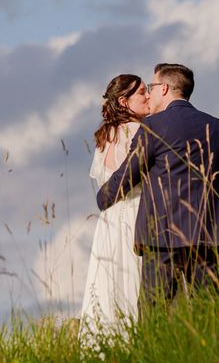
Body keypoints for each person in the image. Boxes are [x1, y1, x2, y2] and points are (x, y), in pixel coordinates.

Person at [97, 63, 219, 309]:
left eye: (152, 87)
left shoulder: (152, 127)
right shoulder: (218, 126)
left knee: (155, 314)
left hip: (162, 236)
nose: (150, 94)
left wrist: (103, 197)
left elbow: (129, 173)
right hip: (208, 234)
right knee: (210, 312)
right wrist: (211, 209)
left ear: (164, 89)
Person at [80, 74, 150, 335]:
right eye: (142, 93)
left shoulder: (105, 135)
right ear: (124, 101)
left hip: (109, 221)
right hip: (137, 214)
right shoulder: (140, 132)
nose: (148, 97)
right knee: (136, 279)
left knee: (110, 284)